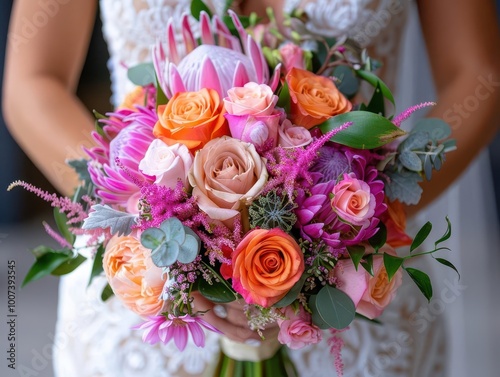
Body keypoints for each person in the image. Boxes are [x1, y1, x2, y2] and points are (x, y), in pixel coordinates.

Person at [3, 0, 500, 376]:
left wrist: (355, 224)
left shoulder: (355, 238)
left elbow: (479, 76)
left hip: (356, 300)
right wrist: (156, 234)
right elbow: (34, 79)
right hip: (143, 291)